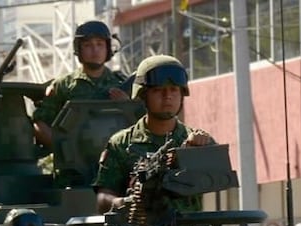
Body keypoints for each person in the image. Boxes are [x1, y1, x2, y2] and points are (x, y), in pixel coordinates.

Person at [93, 55, 215, 214]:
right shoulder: (122, 143)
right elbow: (103, 199)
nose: (167, 96)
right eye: (158, 90)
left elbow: (217, 180)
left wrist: (199, 153)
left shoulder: (198, 141)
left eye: (173, 90)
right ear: (143, 95)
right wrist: (126, 203)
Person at [32, 20, 130, 148]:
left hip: (116, 161)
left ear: (108, 48)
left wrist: (128, 105)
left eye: (100, 44)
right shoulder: (64, 85)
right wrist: (64, 149)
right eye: (88, 45)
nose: (95, 50)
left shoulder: (122, 84)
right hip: (76, 165)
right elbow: (39, 124)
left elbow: (143, 124)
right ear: (79, 49)